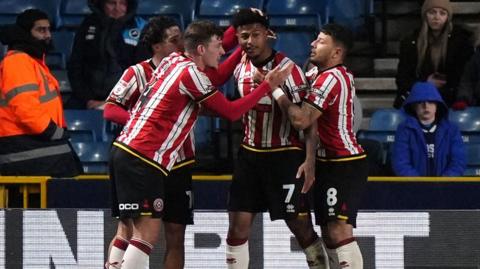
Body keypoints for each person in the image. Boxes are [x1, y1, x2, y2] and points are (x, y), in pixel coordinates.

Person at [109, 20, 293, 269]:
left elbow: (207, 96)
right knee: (144, 235)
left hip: (125, 150)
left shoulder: (172, 62)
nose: (221, 51)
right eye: (218, 46)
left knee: (134, 231)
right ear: (201, 50)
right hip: (144, 157)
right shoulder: (191, 74)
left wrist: (235, 33)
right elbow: (230, 112)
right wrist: (267, 86)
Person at [104, 16, 242, 269]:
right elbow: (110, 109)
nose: (180, 42)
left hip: (177, 161)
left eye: (182, 38)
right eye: (174, 39)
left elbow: (211, 55)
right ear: (157, 46)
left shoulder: (179, 64)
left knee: (174, 234)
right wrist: (143, 123)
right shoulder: (140, 72)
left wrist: (240, 32)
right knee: (134, 229)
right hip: (145, 154)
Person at [225, 9, 328, 269]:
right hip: (249, 156)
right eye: (244, 36)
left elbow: (308, 121)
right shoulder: (239, 68)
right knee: (237, 227)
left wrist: (309, 161)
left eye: (255, 35)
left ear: (268, 35)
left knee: (300, 225)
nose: (249, 41)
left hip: (284, 157)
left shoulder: (290, 70)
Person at [274, 23, 367, 268]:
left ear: (336, 52)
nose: (313, 44)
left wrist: (275, 91)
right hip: (327, 161)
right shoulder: (318, 76)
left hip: (343, 162)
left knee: (339, 231)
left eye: (321, 41)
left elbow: (301, 119)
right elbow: (311, 125)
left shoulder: (331, 79)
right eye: (315, 39)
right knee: (328, 232)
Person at [0, 9, 82, 177]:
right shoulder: (18, 61)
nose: (48, 35)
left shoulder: (31, 62)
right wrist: (52, 131)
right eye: (41, 30)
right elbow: (25, 106)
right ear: (25, 33)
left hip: (32, 144)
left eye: (48, 29)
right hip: (25, 146)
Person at [67, 0, 147, 109]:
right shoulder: (88, 25)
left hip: (126, 100)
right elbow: (75, 66)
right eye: (111, 3)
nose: (117, 8)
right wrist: (88, 99)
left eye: (123, 3)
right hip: (87, 99)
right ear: (102, 4)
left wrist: (117, 101)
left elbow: (143, 71)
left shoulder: (141, 27)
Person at [394, 0, 473, 108]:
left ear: (448, 17)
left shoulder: (461, 41)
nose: (437, 17)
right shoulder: (411, 41)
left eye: (442, 13)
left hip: (451, 97)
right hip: (419, 97)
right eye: (432, 12)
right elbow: (402, 78)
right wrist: (425, 83)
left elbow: (465, 77)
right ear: (425, 15)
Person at [392, 82, 466, 176]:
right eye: (420, 102)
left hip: (445, 188)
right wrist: (421, 186)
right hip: (413, 188)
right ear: (413, 106)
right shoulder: (404, 129)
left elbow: (458, 163)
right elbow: (401, 164)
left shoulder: (452, 129)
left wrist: (443, 184)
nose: (426, 106)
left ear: (437, 105)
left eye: (430, 102)